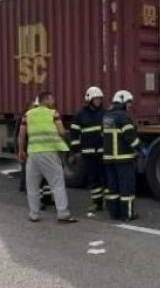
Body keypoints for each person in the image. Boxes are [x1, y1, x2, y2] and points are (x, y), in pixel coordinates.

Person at [18, 91, 77, 222]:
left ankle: (34, 214)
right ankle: (62, 213)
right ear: (46, 100)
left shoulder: (28, 115)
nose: (53, 101)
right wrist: (68, 133)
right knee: (57, 183)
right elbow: (61, 132)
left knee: (32, 185)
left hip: (33, 154)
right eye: (51, 99)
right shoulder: (53, 113)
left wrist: (21, 151)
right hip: (49, 153)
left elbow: (21, 135)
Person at [102, 90, 148, 221]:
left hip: (109, 158)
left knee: (113, 188)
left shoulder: (107, 116)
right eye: (128, 103)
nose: (129, 106)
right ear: (122, 102)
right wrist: (141, 148)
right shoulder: (123, 117)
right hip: (123, 158)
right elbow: (130, 138)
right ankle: (127, 214)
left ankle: (114, 213)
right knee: (126, 188)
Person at [70, 86, 106, 214]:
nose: (98, 102)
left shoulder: (104, 114)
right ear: (89, 100)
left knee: (106, 178)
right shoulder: (80, 115)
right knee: (93, 179)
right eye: (96, 99)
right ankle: (97, 203)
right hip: (88, 154)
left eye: (99, 99)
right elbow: (74, 134)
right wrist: (75, 151)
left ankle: (110, 203)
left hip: (103, 152)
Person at [19, 97, 54, 209]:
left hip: (40, 149)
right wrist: (21, 150)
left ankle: (46, 198)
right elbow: (20, 136)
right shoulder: (26, 118)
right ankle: (37, 202)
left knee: (45, 176)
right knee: (34, 177)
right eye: (34, 107)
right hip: (31, 150)